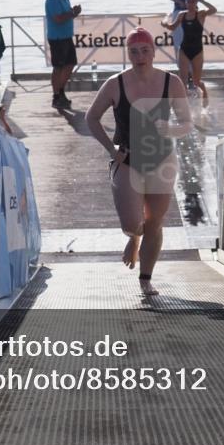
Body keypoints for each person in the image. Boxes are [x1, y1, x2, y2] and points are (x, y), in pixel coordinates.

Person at [85, 27, 192, 296]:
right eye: (133, 51)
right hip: (128, 159)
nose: (139, 56)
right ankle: (133, 237)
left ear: (154, 52)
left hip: (162, 160)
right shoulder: (115, 83)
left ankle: (146, 280)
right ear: (128, 54)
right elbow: (91, 118)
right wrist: (111, 148)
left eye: (145, 51)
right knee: (133, 223)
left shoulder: (172, 83)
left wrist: (171, 129)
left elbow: (187, 124)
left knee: (155, 222)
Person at [162, 0, 217, 107]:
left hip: (197, 51)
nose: (191, 4)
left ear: (196, 3)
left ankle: (204, 91)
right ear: (186, 3)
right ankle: (183, 106)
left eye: (193, 2)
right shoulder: (182, 15)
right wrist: (165, 22)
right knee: (183, 81)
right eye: (189, 2)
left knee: (196, 82)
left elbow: (214, 9)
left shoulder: (201, 14)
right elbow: (172, 27)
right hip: (184, 50)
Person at [44, 0, 82, 109]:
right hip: (57, 38)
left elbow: (66, 14)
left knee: (70, 64)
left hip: (66, 36)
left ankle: (60, 91)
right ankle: (56, 95)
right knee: (58, 67)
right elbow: (58, 19)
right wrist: (72, 13)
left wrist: (74, 12)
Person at [165, 0, 205, 72]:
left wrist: (196, 1)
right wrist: (180, 2)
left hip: (193, 12)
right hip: (179, 11)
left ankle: (193, 71)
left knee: (193, 41)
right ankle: (182, 69)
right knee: (178, 42)